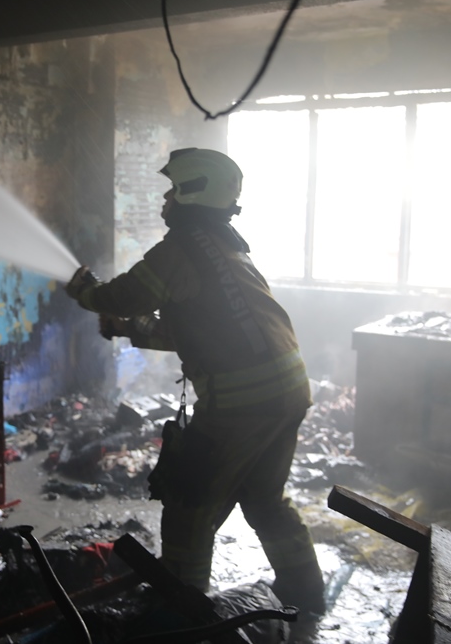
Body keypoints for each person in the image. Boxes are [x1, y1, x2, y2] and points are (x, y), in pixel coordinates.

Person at [65, 147, 326, 617]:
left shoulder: (180, 249)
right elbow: (192, 332)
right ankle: (305, 591)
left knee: (190, 502)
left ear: (193, 192)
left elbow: (121, 295)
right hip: (287, 391)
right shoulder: (227, 248)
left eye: (172, 189)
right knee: (265, 499)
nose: (165, 199)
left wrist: (85, 290)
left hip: (241, 402)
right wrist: (128, 329)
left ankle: (182, 609)